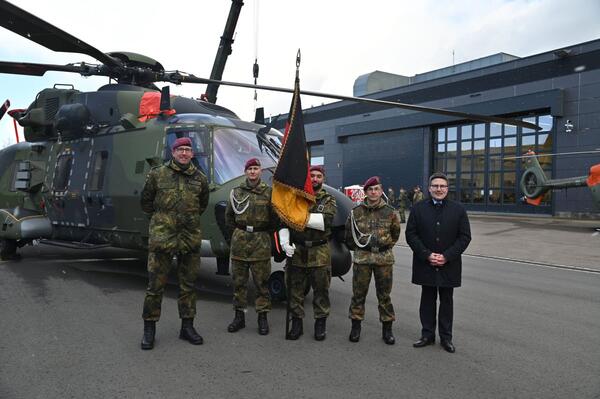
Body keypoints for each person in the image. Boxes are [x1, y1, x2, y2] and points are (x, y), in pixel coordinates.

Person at [140, 137, 209, 350]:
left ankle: (187, 327)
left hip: (189, 237)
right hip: (163, 237)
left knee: (188, 286)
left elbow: (202, 205)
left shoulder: (200, 178)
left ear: (192, 154)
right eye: (181, 150)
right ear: (173, 152)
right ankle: (149, 329)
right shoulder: (157, 174)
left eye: (188, 150)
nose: (184, 153)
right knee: (155, 286)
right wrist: (163, 221)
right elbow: (146, 202)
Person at [405, 172, 471, 353]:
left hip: (448, 264)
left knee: (446, 301)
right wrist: (426, 254)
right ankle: (427, 335)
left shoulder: (458, 209)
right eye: (435, 186)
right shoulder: (418, 209)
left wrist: (447, 256)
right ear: (429, 188)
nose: (439, 189)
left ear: (447, 189)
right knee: (427, 299)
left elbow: (465, 237)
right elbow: (411, 234)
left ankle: (446, 338)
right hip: (425, 263)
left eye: (442, 186)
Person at [280, 165, 337, 341]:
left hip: (319, 251)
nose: (315, 179)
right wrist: (284, 242)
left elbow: (324, 221)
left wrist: (296, 218)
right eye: (312, 176)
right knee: (295, 290)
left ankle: (320, 324)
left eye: (318, 176)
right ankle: (297, 323)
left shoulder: (328, 199)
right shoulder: (296, 197)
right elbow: (284, 220)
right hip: (297, 250)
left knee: (321, 290)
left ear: (323, 179)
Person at [225, 158, 278, 335]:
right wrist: (238, 233)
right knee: (238, 283)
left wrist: (262, 233)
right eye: (250, 169)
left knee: (262, 284)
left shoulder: (269, 193)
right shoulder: (236, 192)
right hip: (240, 242)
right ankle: (239, 317)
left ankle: (262, 318)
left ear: (260, 171)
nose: (253, 172)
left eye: (256, 168)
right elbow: (229, 218)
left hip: (261, 242)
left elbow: (275, 220)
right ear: (245, 171)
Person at [345, 176, 401, 344]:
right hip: (362, 258)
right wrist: (361, 249)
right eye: (370, 189)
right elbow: (349, 235)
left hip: (383, 259)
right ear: (366, 192)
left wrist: (383, 247)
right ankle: (356, 328)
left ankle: (387, 330)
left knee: (384, 296)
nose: (374, 192)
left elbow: (395, 234)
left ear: (381, 191)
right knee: (358, 295)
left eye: (376, 189)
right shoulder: (356, 212)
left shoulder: (390, 212)